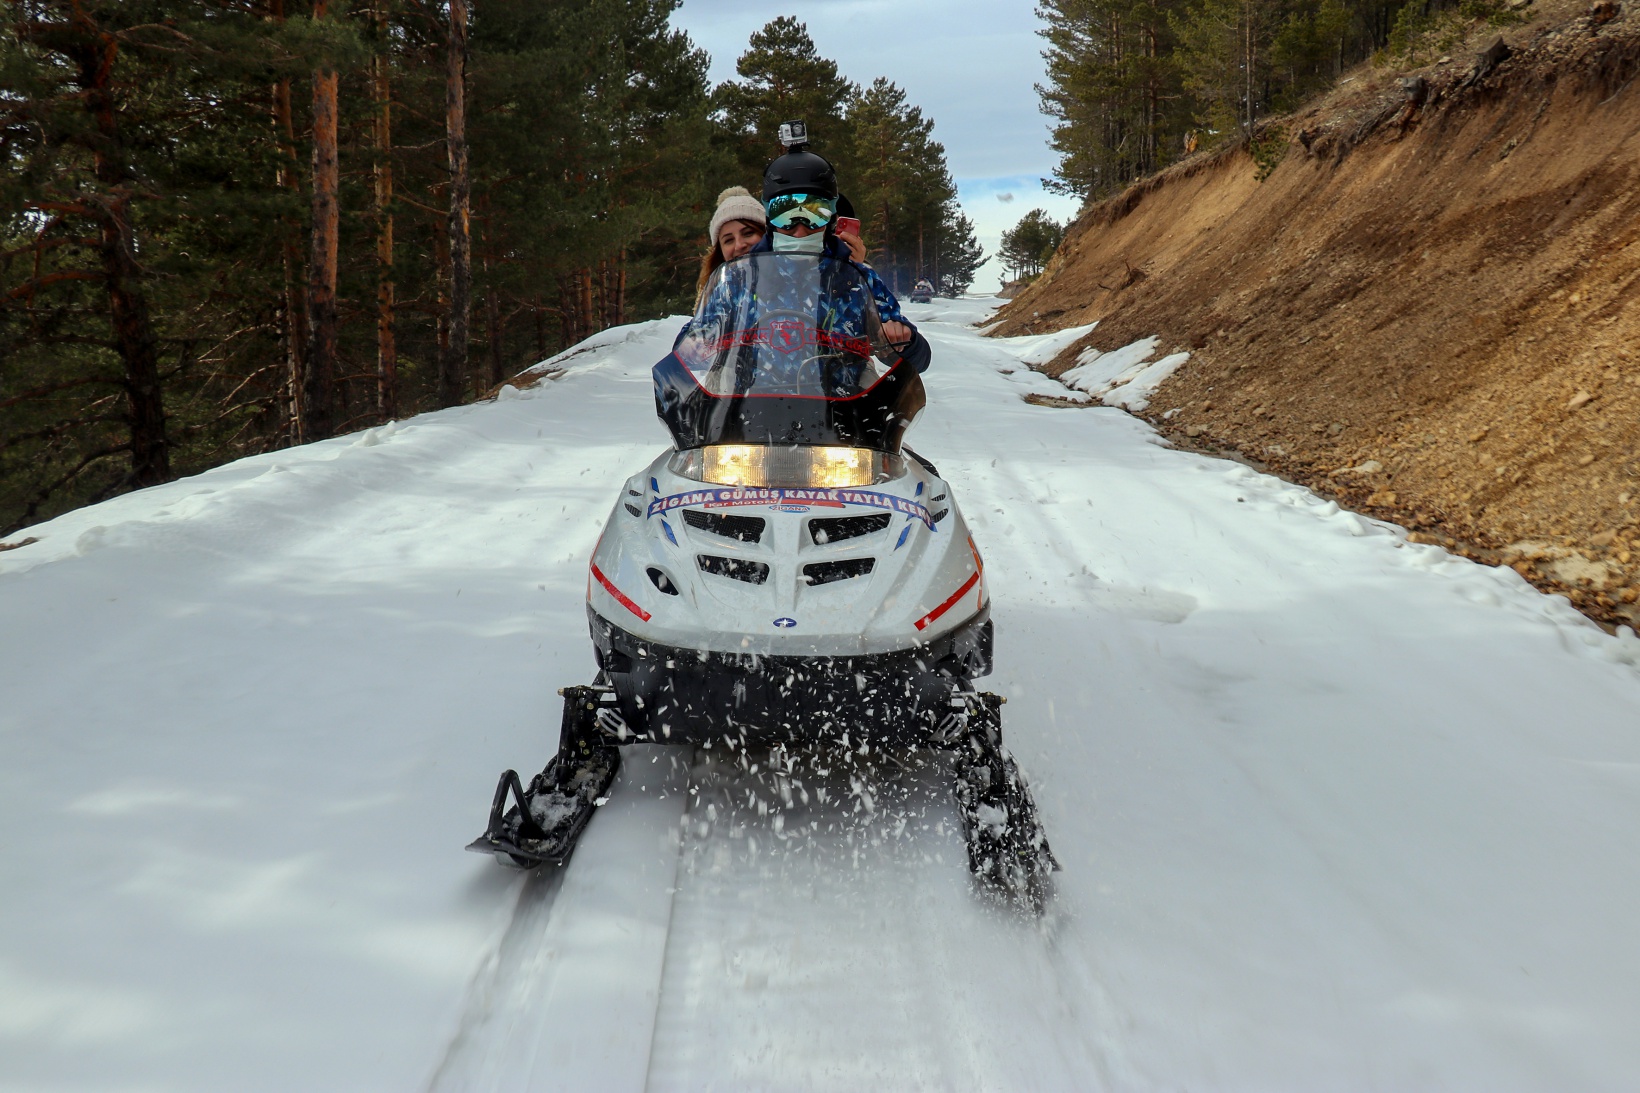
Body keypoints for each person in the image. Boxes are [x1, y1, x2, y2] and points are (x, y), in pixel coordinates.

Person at [692, 136, 928, 372]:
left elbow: (915, 359)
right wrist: (697, 344)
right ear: (770, 221)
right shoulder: (740, 280)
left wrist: (902, 340)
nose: (800, 231)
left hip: (844, 405)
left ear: (832, 218)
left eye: (815, 214)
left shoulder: (857, 278)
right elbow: (694, 346)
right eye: (786, 215)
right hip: (755, 403)